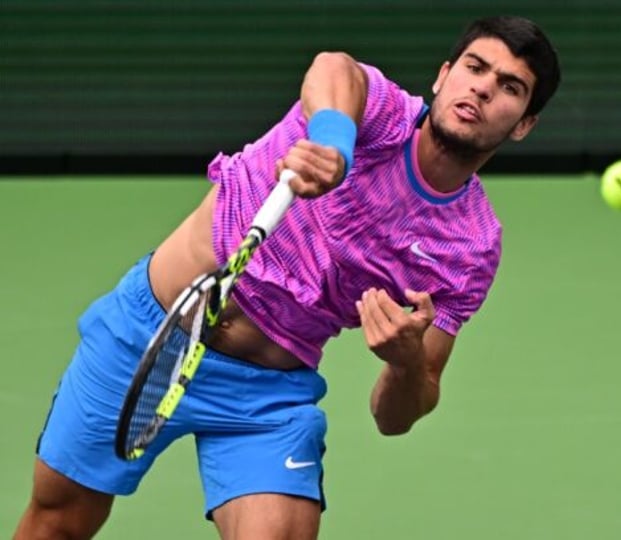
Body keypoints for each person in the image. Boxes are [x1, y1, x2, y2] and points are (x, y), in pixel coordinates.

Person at [14, 15, 561, 540]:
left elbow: (397, 415)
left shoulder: (470, 247)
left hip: (264, 399)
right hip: (146, 336)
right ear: (444, 75)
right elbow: (334, 67)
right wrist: (333, 143)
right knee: (58, 522)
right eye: (474, 67)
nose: (483, 89)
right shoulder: (381, 112)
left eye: (510, 86)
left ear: (524, 123)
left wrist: (407, 359)